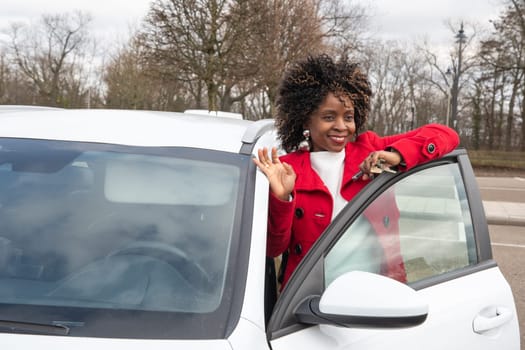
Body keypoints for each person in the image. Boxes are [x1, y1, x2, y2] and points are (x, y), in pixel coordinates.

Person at [253, 54, 460, 289]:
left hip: (378, 294)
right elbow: (274, 249)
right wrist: (282, 198)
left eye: (348, 117)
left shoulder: (372, 150)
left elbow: (446, 135)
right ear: (305, 121)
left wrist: (397, 155)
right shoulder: (286, 169)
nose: (341, 126)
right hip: (308, 302)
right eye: (329, 117)